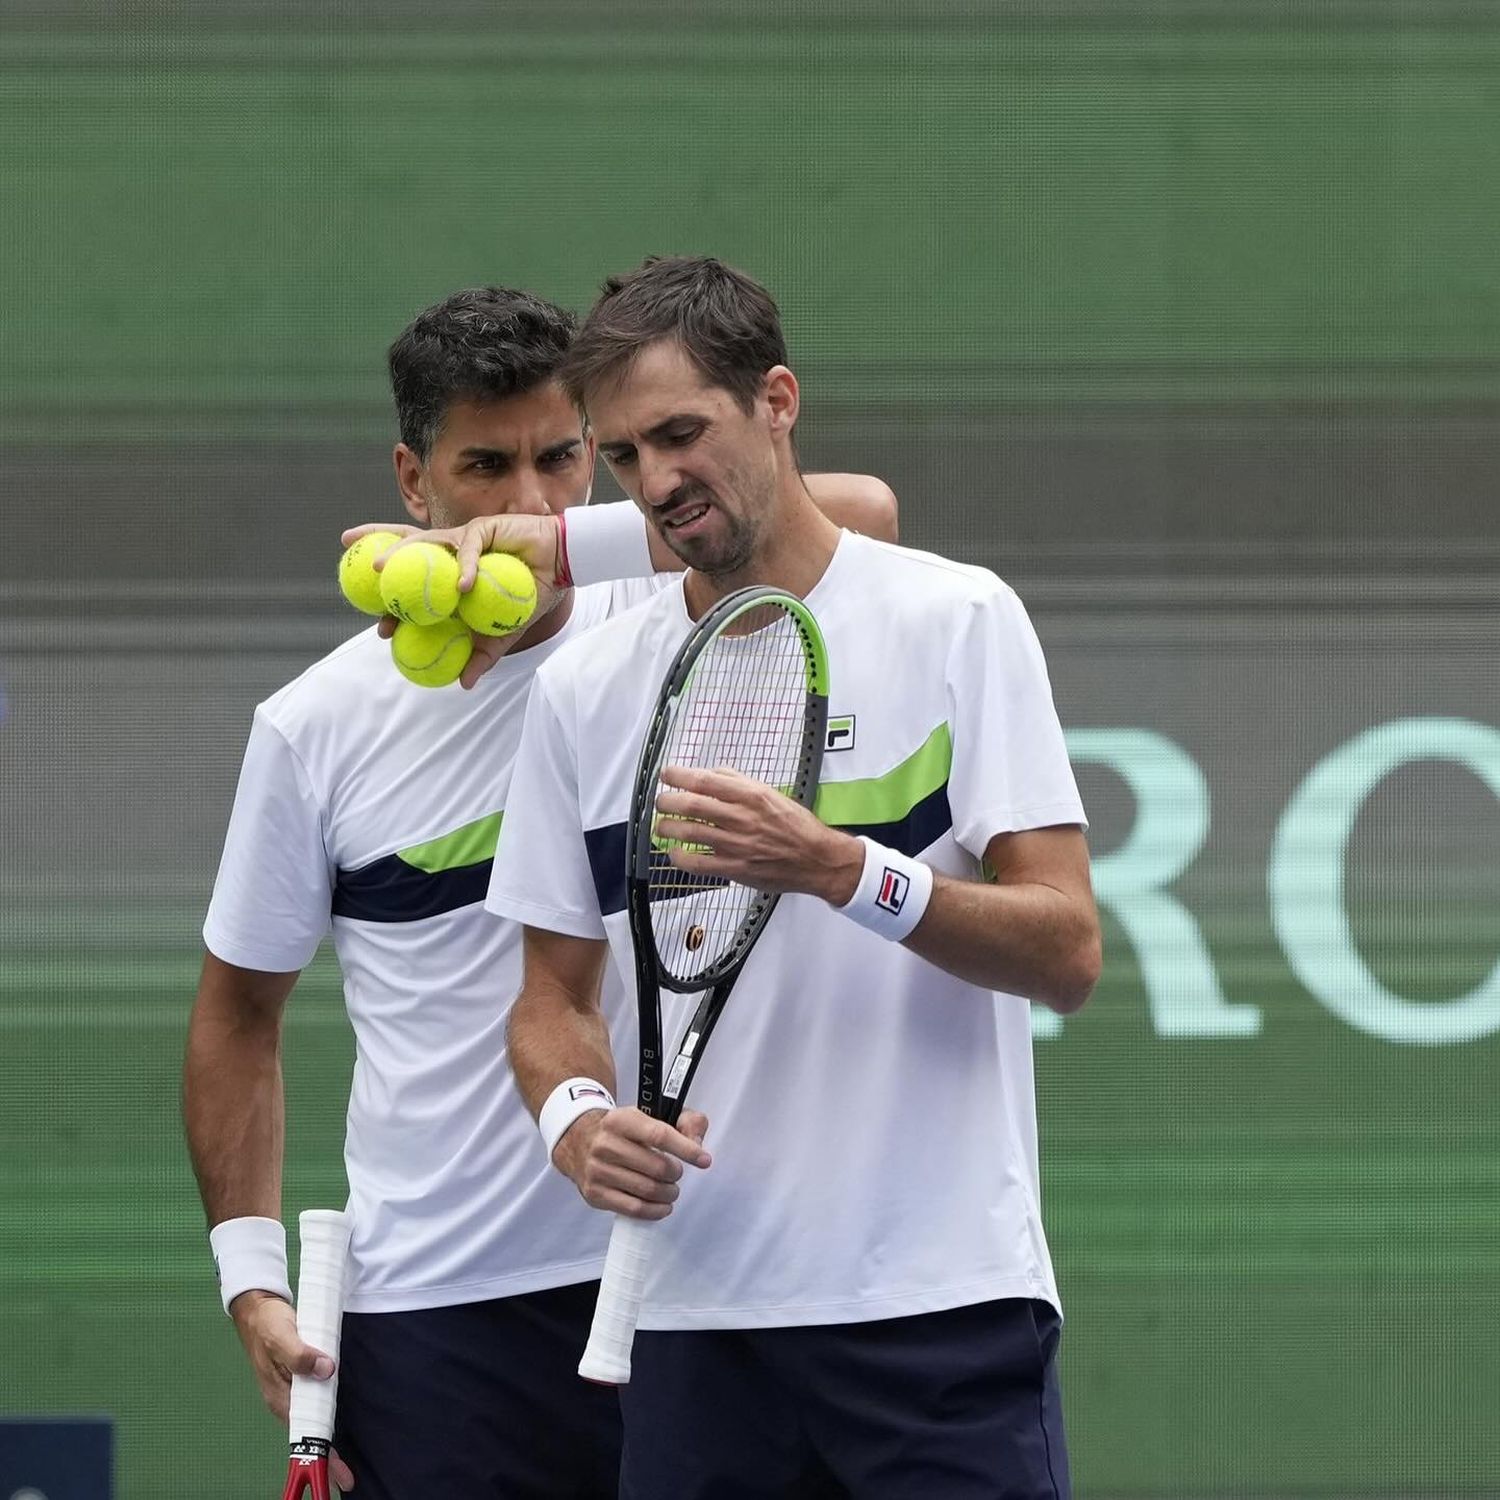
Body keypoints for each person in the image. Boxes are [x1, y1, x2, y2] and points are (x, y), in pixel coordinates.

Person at [182, 284, 898, 1498]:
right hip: (444, 1316)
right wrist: (251, 1278)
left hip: (699, 1277)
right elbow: (237, 1015)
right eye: (485, 469)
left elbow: (865, 510)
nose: (529, 501)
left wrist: (563, 549)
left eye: (564, 461)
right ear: (414, 485)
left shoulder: (683, 613)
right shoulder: (314, 727)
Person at [489, 256, 1101, 1500]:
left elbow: (1066, 950)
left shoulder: (959, 621)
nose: (659, 482)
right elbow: (551, 1002)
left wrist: (847, 873)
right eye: (624, 457)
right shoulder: (582, 695)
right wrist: (575, 1123)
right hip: (695, 1326)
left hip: (939, 1307)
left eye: (681, 434)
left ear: (777, 400)